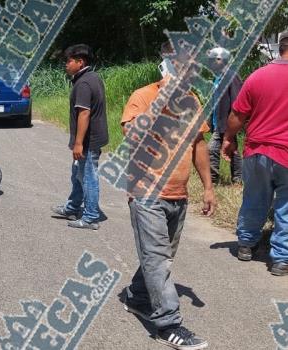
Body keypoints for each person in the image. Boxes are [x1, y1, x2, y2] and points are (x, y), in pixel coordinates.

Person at [120, 43, 215, 349]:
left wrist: (209, 188)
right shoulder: (143, 96)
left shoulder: (191, 100)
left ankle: (136, 295)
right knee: (158, 260)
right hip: (147, 193)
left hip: (179, 194)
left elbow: (199, 145)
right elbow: (132, 136)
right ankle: (168, 324)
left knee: (160, 256)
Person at [222, 32, 288, 276]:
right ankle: (281, 259)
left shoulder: (257, 76)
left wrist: (228, 139)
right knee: (286, 206)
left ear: (280, 48)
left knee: (254, 199)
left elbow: (237, 115)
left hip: (257, 151)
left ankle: (246, 245)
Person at [51, 44, 109, 230]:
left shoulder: (83, 83)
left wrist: (78, 143)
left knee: (88, 177)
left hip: (88, 141)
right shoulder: (91, 77)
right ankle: (73, 207)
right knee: (77, 174)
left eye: (68, 61)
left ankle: (91, 217)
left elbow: (84, 113)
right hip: (90, 139)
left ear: (80, 62)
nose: (65, 65)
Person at [206, 47, 243, 184]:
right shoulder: (218, 78)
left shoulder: (232, 77)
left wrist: (233, 124)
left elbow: (237, 101)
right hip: (218, 122)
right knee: (230, 149)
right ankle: (235, 179)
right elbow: (215, 102)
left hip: (228, 123)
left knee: (221, 149)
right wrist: (210, 120)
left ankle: (229, 180)